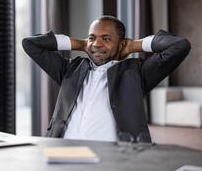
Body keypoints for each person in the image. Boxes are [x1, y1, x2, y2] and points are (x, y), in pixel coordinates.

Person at [22, 15, 191, 143]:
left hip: (113, 160)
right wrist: (79, 44)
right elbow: (30, 44)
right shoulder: (69, 69)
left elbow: (179, 46)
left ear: (121, 44)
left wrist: (134, 45)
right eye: (92, 37)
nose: (96, 44)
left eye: (106, 39)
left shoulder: (136, 73)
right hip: (64, 153)